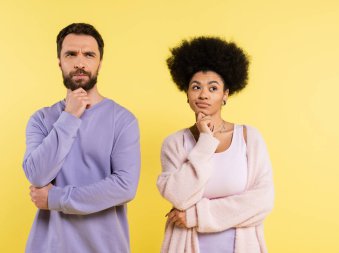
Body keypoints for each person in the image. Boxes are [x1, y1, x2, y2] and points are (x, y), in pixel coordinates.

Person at [23, 23, 141, 253]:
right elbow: (37, 174)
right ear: (59, 61)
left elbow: (124, 187)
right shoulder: (41, 119)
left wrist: (55, 198)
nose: (80, 62)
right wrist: (69, 116)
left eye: (88, 54)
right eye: (71, 54)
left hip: (105, 248)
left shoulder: (123, 120)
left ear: (99, 62)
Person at [157, 37, 274, 253]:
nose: (203, 94)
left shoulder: (249, 138)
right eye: (196, 87)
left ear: (225, 94)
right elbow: (178, 196)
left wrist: (194, 215)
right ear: (187, 94)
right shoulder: (175, 143)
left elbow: (262, 201)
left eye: (213, 88)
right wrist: (205, 143)